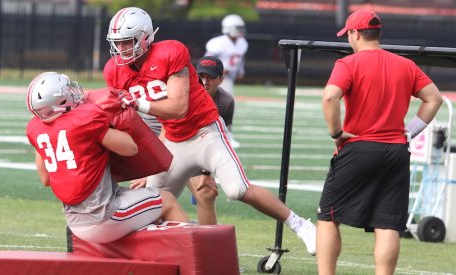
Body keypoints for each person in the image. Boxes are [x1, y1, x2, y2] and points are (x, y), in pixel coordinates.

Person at [103, 7, 317, 255]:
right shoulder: (114, 70)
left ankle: (301, 225)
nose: (122, 49)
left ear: (145, 37)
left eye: (127, 41)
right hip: (172, 140)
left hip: (205, 132)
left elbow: (178, 108)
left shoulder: (170, 52)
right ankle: (188, 256)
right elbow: (134, 120)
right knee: (149, 203)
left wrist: (136, 103)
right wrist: (146, 160)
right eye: (118, 43)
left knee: (237, 189)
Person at [317, 9, 443, 274]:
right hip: (397, 150)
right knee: (387, 225)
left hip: (359, 148)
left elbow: (330, 97)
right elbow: (434, 99)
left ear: (355, 33)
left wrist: (336, 134)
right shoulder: (405, 64)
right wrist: (411, 131)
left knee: (327, 216)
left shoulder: (348, 64)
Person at [25, 72, 189, 244]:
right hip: (104, 217)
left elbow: (46, 179)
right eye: (67, 89)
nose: (73, 90)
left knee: (147, 208)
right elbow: (131, 148)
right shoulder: (86, 120)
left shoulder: (37, 130)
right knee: (167, 200)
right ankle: (191, 261)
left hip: (74, 222)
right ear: (60, 101)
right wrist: (115, 118)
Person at [185, 56, 236, 224]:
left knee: (206, 193)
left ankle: (208, 246)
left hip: (200, 148)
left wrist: (206, 173)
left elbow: (220, 140)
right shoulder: (182, 95)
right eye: (201, 76)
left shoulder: (226, 102)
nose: (205, 82)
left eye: (211, 77)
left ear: (221, 79)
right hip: (169, 146)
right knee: (153, 193)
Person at [204, 13, 248, 148]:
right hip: (217, 78)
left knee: (223, 105)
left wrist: (240, 71)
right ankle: (226, 136)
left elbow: (241, 59)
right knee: (225, 104)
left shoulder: (242, 43)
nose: (240, 30)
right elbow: (207, 60)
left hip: (229, 77)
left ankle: (222, 135)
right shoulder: (218, 43)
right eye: (237, 27)